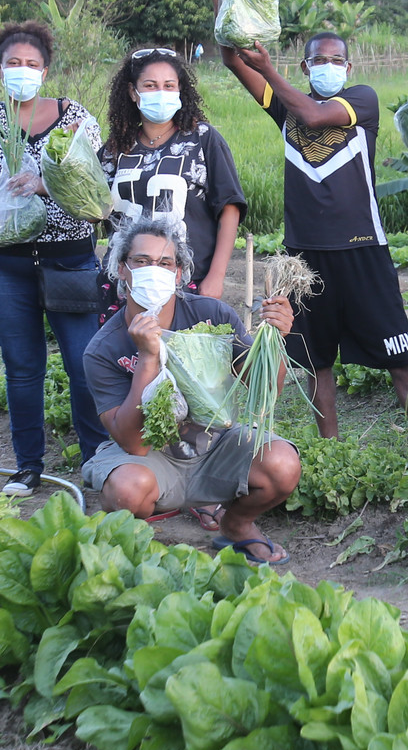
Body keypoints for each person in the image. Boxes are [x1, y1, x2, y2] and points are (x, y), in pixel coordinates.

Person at [197, 0, 408, 457]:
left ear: (348, 68)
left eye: (337, 59)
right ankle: (330, 458)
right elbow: (230, 59)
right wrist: (224, 0)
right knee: (317, 364)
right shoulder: (284, 105)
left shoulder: (362, 100)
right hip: (303, 257)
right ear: (304, 66)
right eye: (318, 60)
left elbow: (310, 114)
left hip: (361, 251)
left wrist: (270, 69)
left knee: (402, 362)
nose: (328, 66)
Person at [81, 216, 302, 566]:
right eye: (141, 261)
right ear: (122, 270)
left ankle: (236, 524)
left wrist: (275, 340)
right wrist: (148, 356)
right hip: (148, 457)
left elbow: (265, 392)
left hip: (213, 445)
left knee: (282, 464)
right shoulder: (103, 348)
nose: (154, 270)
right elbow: (134, 442)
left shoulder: (212, 315)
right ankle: (134, 540)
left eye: (165, 263)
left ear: (180, 272)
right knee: (128, 488)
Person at [0, 20, 109, 495]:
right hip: (0, 263)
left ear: (46, 70)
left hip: (69, 261)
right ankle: (27, 465)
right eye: (13, 64)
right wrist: (4, 208)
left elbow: (94, 196)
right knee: (22, 363)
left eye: (32, 64)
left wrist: (45, 185)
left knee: (84, 361)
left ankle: (98, 455)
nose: (23, 71)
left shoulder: (76, 118)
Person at [99, 46, 245, 296]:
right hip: (125, 284)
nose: (160, 93)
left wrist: (216, 277)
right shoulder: (115, 148)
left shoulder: (202, 140)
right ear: (133, 92)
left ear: (180, 91)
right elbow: (96, 211)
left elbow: (229, 208)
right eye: (150, 85)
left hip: (186, 280)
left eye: (169, 86)